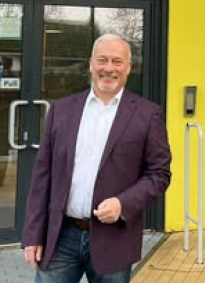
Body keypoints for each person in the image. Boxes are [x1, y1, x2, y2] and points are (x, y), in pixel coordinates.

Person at [22, 33, 171, 283]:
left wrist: (123, 204)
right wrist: (33, 234)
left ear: (128, 67)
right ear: (91, 64)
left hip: (114, 238)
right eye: (102, 60)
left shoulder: (148, 115)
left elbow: (159, 174)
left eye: (117, 61)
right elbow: (42, 177)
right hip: (60, 236)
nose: (109, 68)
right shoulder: (61, 110)